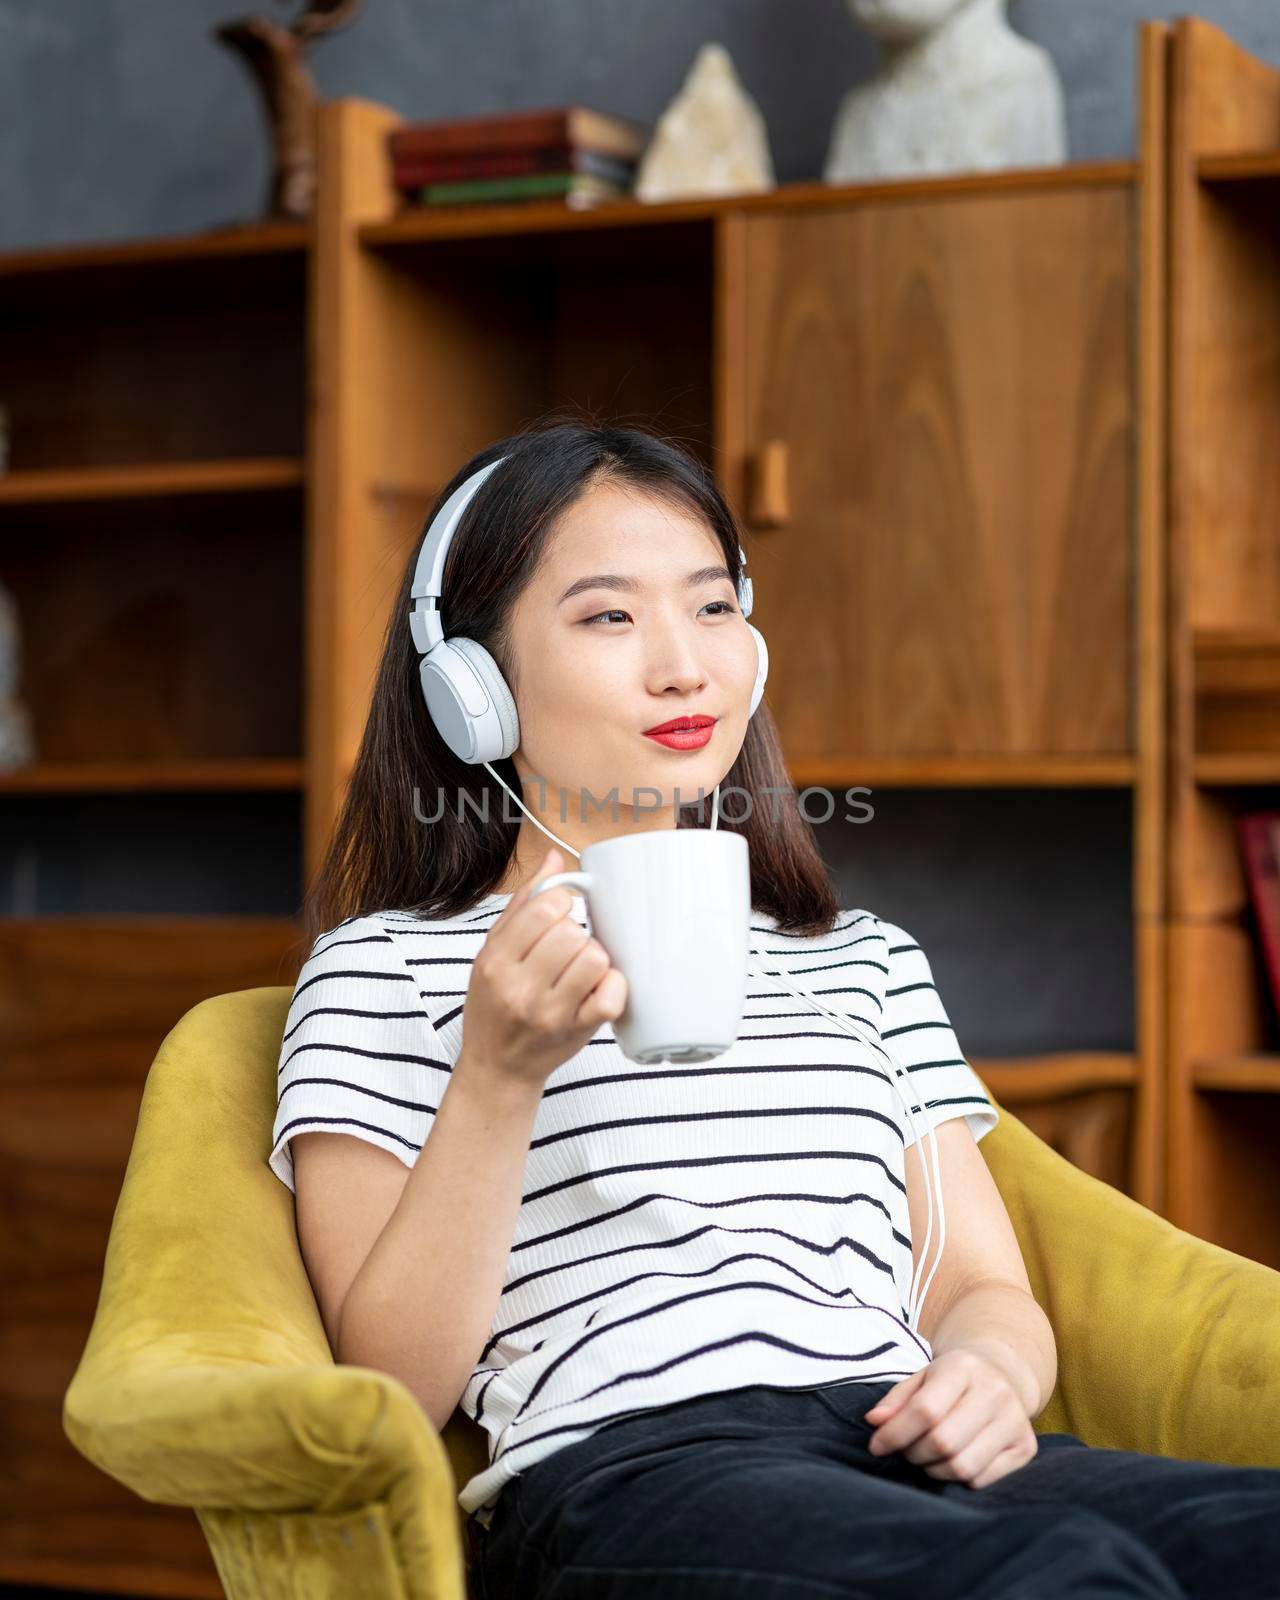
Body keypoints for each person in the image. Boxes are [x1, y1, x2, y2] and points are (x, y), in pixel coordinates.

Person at [269, 416, 1280, 1599]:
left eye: (710, 607)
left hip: (901, 1439)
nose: (683, 665)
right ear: (470, 688)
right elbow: (387, 1392)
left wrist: (990, 1374)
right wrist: (497, 1078)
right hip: (639, 1470)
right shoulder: (384, 970)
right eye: (608, 616)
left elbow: (977, 1286)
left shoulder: (857, 957)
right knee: (1052, 1574)